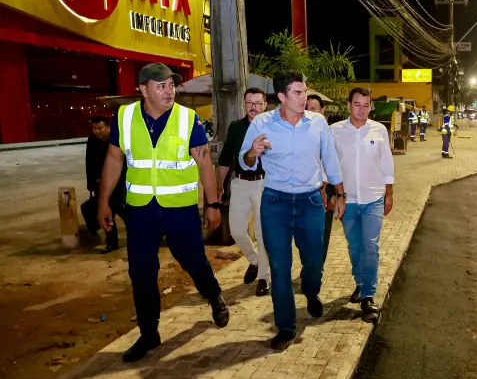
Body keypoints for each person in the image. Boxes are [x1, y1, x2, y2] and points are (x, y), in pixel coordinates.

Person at [98, 63, 229, 363]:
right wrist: (104, 201)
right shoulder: (125, 116)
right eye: (161, 85)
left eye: (171, 85)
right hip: (141, 211)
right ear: (143, 89)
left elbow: (204, 162)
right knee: (141, 273)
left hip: (180, 210)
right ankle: (149, 333)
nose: (169, 90)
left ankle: (214, 294)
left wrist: (212, 204)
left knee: (194, 261)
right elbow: (115, 159)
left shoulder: (187, 119)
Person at [239, 71, 345, 351]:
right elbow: (245, 161)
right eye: (298, 92)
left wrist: (341, 194)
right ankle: (286, 326)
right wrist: (253, 152)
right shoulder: (263, 123)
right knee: (279, 267)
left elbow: (331, 161)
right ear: (282, 97)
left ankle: (311, 292)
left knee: (313, 260)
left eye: (305, 90)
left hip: (311, 202)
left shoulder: (318, 123)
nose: (304, 97)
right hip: (276, 203)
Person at [331, 88, 394, 321]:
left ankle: (368, 294)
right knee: (354, 247)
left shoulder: (379, 130)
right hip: (348, 201)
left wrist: (389, 194)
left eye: (366, 105)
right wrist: (331, 194)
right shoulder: (335, 131)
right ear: (348, 105)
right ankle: (360, 282)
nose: (362, 109)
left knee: (370, 246)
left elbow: (387, 163)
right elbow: (330, 165)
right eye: (357, 104)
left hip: (374, 198)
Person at [217, 87, 271, 296]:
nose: (253, 107)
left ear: (265, 105)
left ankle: (264, 278)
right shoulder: (235, 127)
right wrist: (219, 185)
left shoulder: (272, 127)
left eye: (258, 103)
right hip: (239, 183)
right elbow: (224, 157)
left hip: (263, 185)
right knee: (237, 230)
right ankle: (255, 261)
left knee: (261, 234)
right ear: (244, 104)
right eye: (249, 103)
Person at [85, 116, 127, 253]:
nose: (97, 131)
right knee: (106, 215)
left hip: (117, 184)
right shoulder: (92, 142)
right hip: (100, 186)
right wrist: (91, 184)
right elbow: (89, 163)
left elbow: (122, 164)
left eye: (100, 128)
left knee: (125, 212)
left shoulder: (116, 141)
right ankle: (112, 242)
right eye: (94, 129)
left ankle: (139, 237)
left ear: (108, 128)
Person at [305, 94, 336, 265]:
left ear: (322, 112)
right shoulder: (300, 133)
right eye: (306, 109)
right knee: (306, 232)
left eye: (313, 109)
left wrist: (326, 190)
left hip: (324, 188)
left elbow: (331, 163)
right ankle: (309, 265)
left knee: (322, 231)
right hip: (305, 190)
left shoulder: (330, 133)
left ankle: (317, 269)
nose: (309, 112)